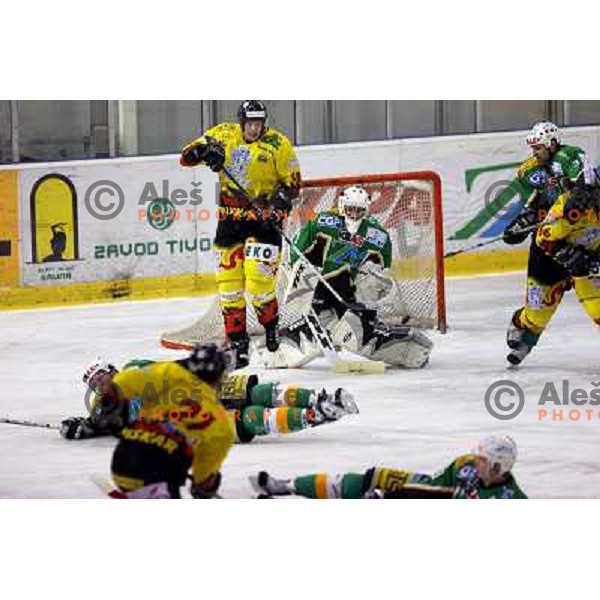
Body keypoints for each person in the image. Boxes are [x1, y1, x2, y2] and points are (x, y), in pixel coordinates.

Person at [178, 100, 301, 369]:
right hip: (230, 222)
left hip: (263, 224)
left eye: (259, 123)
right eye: (250, 123)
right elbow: (185, 157)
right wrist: (204, 151)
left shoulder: (279, 144)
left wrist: (277, 205)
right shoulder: (223, 134)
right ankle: (237, 341)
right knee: (229, 287)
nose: (254, 128)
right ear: (241, 122)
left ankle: (270, 326)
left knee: (258, 284)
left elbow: (293, 185)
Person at [264, 185, 433, 369]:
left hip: (351, 291)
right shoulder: (325, 221)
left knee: (357, 334)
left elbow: (383, 270)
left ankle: (408, 345)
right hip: (322, 285)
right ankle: (282, 350)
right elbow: (299, 243)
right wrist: (298, 263)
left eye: (358, 210)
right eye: (350, 209)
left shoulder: (377, 235)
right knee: (321, 328)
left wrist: (369, 289)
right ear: (342, 206)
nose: (353, 213)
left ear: (366, 209)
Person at [60, 356, 358, 447]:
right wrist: (79, 427)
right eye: (94, 384)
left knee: (255, 392)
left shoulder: (135, 368)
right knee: (251, 420)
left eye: (101, 377)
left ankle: (321, 398)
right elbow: (98, 425)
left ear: (112, 370)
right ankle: (314, 415)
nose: (101, 385)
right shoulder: (105, 407)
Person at [503, 121, 600, 365]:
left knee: (597, 307)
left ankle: (580, 262)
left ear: (552, 143)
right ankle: (524, 327)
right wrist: (520, 224)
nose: (534, 152)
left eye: (539, 147)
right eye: (533, 148)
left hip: (583, 237)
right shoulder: (531, 170)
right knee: (536, 311)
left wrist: (580, 198)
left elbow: (588, 183)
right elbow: (537, 205)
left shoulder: (571, 156)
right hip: (551, 244)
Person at [251, 435, 527, 499]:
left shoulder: (512, 499)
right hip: (432, 494)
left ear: (497, 465)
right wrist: (393, 492)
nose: (475, 461)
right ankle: (286, 486)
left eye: (482, 459)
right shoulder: (465, 465)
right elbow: (435, 486)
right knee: (371, 479)